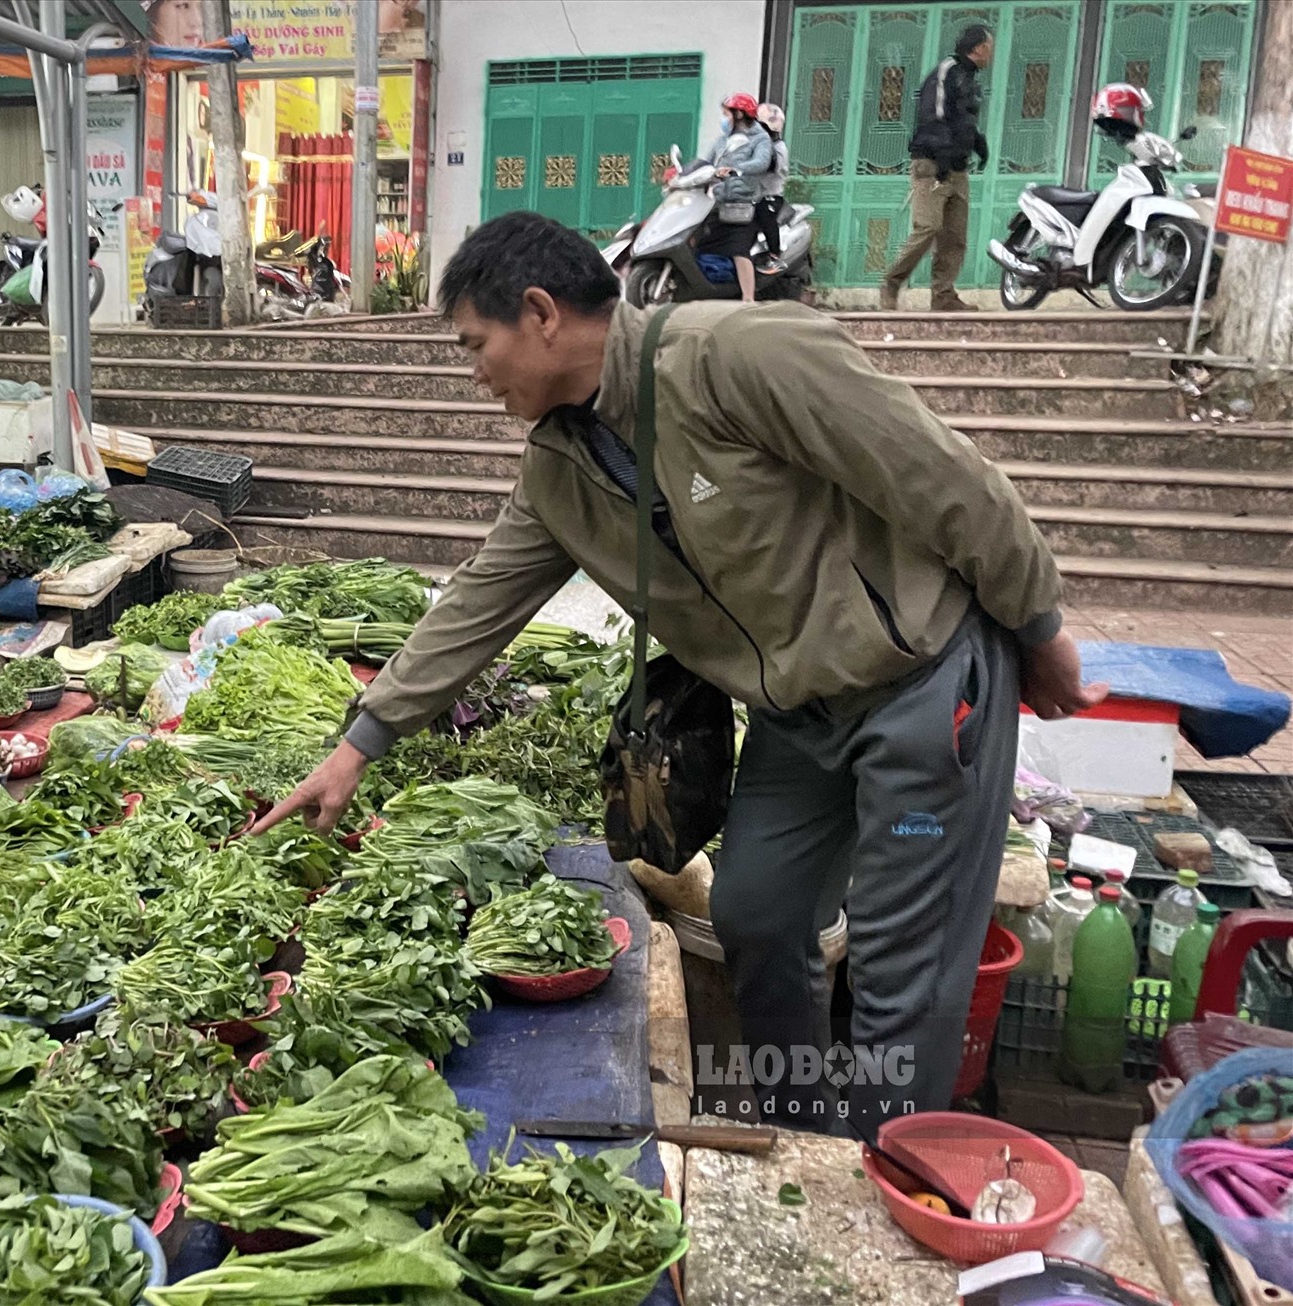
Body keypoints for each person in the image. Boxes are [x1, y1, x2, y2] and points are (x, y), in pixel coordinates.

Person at [252, 211, 1106, 1140]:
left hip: (922, 685)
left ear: (540, 313)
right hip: (795, 715)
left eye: (476, 344)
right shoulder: (560, 466)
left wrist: (1040, 628)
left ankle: (881, 1178)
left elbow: (945, 479)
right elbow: (477, 603)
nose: (475, 373)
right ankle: (801, 1140)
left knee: (904, 978)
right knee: (755, 913)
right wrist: (360, 743)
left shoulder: (736, 356)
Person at [880, 24, 993, 312]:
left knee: (955, 237)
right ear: (978, 47)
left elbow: (962, 120)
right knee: (928, 227)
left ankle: (943, 295)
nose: (991, 53)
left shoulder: (970, 77)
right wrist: (942, 155)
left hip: (957, 168)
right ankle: (892, 282)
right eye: (988, 46)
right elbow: (934, 114)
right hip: (932, 164)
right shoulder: (948, 71)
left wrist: (978, 143)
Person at [692, 93, 774, 302]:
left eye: (726, 114)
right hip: (718, 202)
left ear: (738, 114)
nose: (723, 118)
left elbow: (762, 162)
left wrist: (736, 169)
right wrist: (683, 174)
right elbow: (705, 161)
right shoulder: (722, 140)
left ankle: (748, 299)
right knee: (696, 240)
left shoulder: (760, 138)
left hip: (744, 205)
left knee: (739, 250)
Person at [753, 103, 790, 276]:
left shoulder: (779, 147)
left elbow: (772, 166)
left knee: (765, 215)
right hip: (751, 195)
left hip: (770, 196)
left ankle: (775, 256)